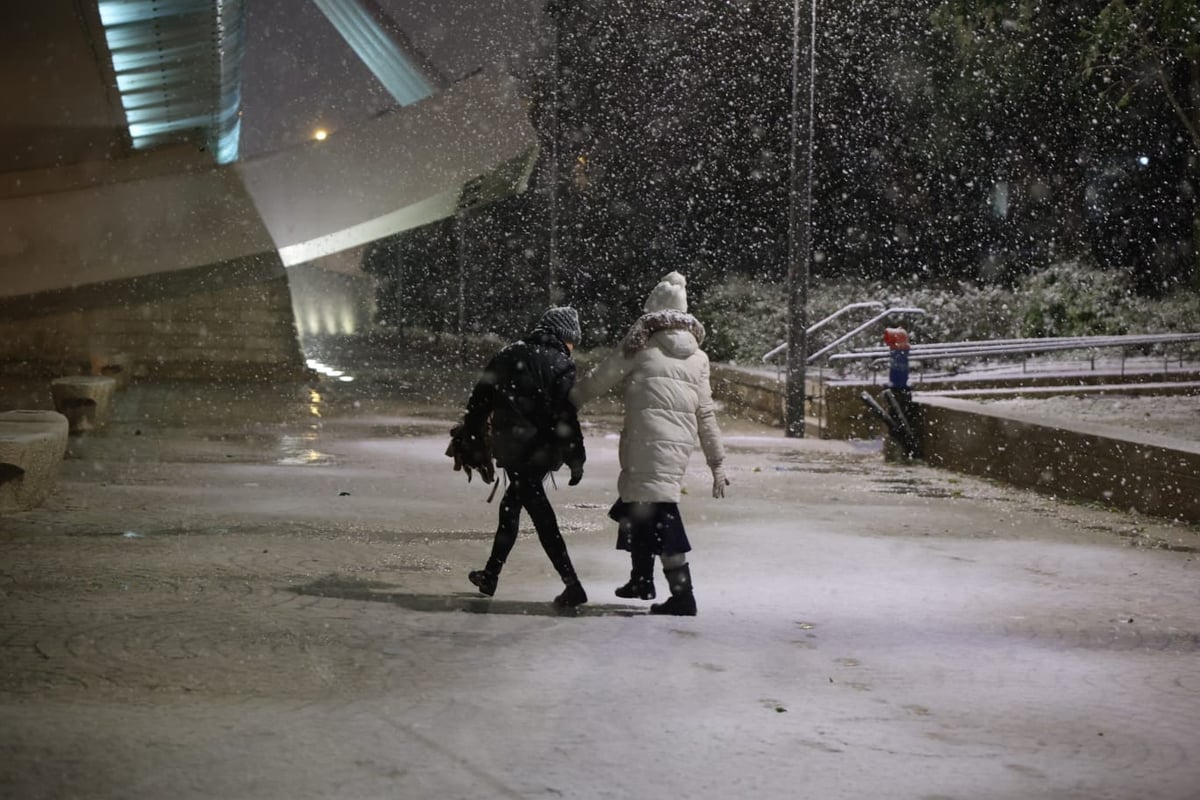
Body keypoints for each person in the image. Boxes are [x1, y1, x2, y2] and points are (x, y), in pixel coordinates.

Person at [571, 272, 727, 616]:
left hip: (644, 444)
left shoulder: (640, 345)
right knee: (637, 508)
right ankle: (641, 580)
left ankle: (683, 598)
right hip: (676, 449)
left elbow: (600, 378)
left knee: (660, 516)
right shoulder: (698, 358)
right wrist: (716, 462)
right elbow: (705, 413)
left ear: (653, 311)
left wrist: (569, 401)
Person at [448, 306, 589, 608]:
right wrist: (575, 455)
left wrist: (473, 439)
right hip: (543, 450)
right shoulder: (562, 364)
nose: (571, 348)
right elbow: (567, 415)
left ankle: (572, 585)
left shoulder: (509, 354)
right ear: (562, 336)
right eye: (571, 341)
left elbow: (479, 401)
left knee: (535, 513)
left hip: (514, 447)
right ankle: (491, 575)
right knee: (514, 506)